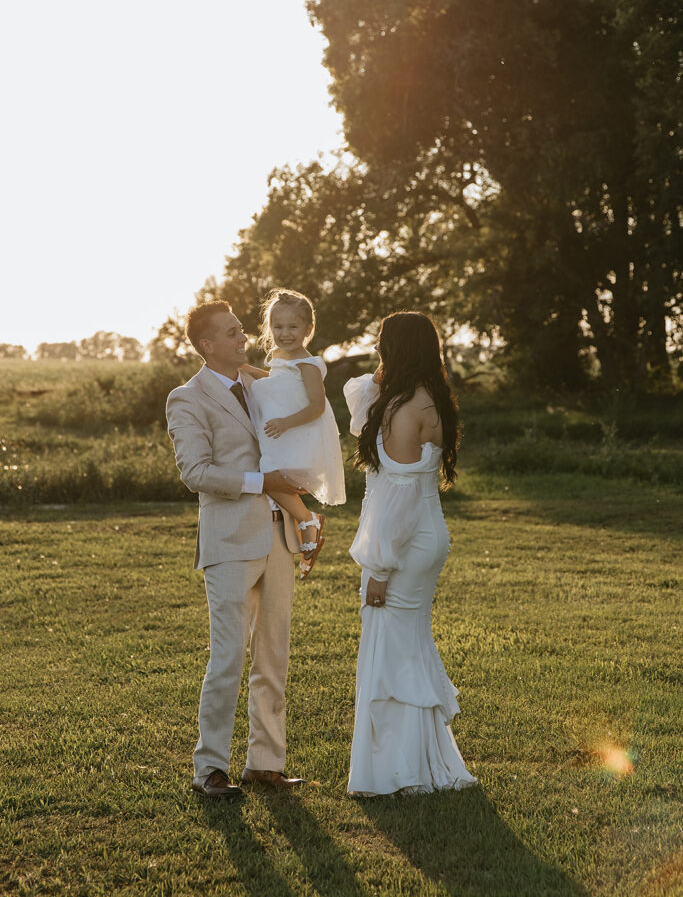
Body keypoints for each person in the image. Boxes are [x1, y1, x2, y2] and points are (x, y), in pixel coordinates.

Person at [166, 299, 308, 798]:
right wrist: (260, 480)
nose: (243, 336)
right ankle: (210, 769)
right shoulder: (187, 398)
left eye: (241, 328)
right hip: (228, 539)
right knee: (227, 656)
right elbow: (195, 473)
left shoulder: (259, 384)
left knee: (274, 653)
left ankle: (264, 763)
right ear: (206, 345)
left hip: (279, 536)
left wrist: (303, 511)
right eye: (231, 332)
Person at [343, 311, 478, 797]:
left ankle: (403, 772)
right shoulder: (425, 395)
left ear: (391, 348)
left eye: (383, 346)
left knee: (391, 649)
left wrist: (378, 567)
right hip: (424, 532)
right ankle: (419, 762)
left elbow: (397, 495)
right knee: (405, 645)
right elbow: (359, 397)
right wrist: (386, 373)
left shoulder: (404, 406)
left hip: (404, 540)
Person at [243, 288, 346, 579]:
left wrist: (286, 423)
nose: (284, 333)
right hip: (282, 439)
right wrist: (246, 369)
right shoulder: (280, 359)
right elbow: (278, 383)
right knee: (268, 477)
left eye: (292, 327)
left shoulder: (308, 365)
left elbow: (316, 406)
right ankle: (307, 525)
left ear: (308, 328)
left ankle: (308, 520)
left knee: (268, 478)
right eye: (277, 327)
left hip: (299, 437)